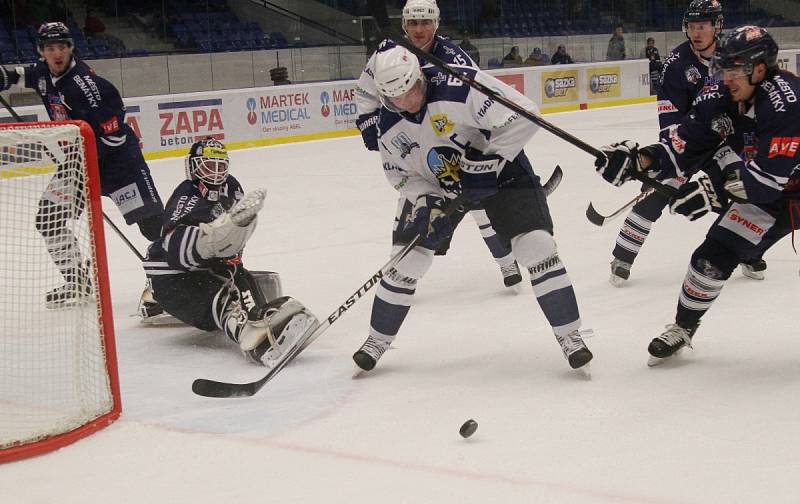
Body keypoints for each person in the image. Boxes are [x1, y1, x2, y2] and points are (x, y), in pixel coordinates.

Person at [352, 45, 594, 374]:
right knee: (406, 260)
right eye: (395, 98)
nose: (406, 102)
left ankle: (570, 336)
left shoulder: (460, 84)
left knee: (537, 246)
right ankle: (377, 340)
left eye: (410, 91)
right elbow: (399, 175)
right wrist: (425, 199)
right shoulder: (389, 124)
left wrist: (489, 159)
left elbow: (527, 113)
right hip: (440, 185)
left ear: (419, 77)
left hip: (502, 173)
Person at [595, 26, 799, 365]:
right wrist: (638, 160)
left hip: (776, 183)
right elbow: (681, 149)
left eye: (735, 70)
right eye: (723, 68)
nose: (726, 77)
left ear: (760, 69)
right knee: (710, 258)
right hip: (771, 195)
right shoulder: (719, 96)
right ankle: (683, 327)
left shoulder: (786, 102)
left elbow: (767, 180)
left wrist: (713, 193)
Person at [355, 0, 523, 290]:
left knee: (478, 202)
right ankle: (400, 269)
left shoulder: (454, 57)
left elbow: (479, 103)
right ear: (405, 24)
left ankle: (506, 260)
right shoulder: (387, 53)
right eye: (413, 23)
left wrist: (486, 148)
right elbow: (366, 92)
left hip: (451, 141)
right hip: (408, 139)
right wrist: (369, 123)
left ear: (437, 23)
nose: (419, 30)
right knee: (411, 203)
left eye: (426, 23)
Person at [0, 22, 164, 308]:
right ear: (41, 51)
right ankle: (77, 280)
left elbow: (113, 133)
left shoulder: (85, 86)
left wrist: (81, 157)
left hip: (118, 164)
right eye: (50, 48)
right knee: (48, 218)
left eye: (62, 46)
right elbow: (17, 75)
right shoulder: (42, 72)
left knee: (153, 226)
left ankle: (171, 280)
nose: (57, 53)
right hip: (79, 162)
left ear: (71, 48)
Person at [606, 1, 765, 286]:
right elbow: (670, 118)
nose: (696, 32)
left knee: (740, 188)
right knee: (660, 189)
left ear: (716, 26)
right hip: (688, 141)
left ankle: (744, 251)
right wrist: (675, 153)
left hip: (725, 144)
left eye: (702, 26)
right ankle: (622, 256)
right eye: (691, 26)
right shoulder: (676, 64)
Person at [142, 138, 319, 366]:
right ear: (193, 167)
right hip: (173, 278)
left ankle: (258, 316)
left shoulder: (232, 187)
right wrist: (216, 239)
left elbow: (234, 235)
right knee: (221, 302)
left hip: (206, 268)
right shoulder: (186, 198)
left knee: (246, 281)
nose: (215, 173)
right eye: (208, 166)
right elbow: (177, 254)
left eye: (220, 166)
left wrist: (231, 251)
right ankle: (252, 338)